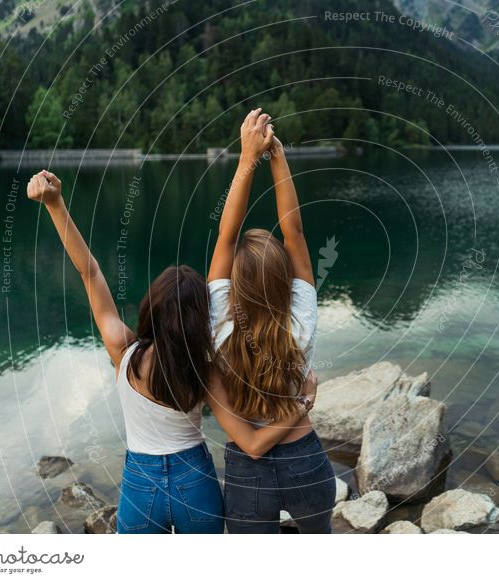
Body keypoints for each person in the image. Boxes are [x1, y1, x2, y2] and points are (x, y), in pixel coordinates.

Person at [27, 167, 315, 534]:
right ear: (202, 321)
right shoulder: (207, 368)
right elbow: (252, 441)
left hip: (140, 486)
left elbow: (90, 273)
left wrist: (55, 204)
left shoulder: (124, 352)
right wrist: (302, 403)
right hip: (195, 483)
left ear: (150, 309)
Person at [208, 108, 336, 534]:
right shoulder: (301, 316)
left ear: (233, 285)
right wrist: (277, 156)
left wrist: (247, 159)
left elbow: (227, 236)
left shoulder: (220, 322)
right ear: (286, 279)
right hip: (305, 459)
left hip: (249, 470)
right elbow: (293, 232)